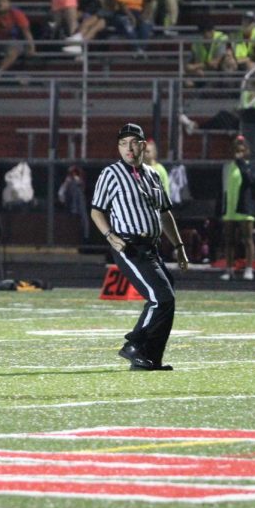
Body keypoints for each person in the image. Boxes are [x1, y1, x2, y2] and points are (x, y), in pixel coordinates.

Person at [90, 123, 189, 371]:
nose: (128, 148)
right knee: (161, 298)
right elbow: (96, 211)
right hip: (129, 245)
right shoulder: (111, 174)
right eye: (123, 143)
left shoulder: (153, 175)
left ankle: (150, 357)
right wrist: (111, 236)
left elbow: (165, 213)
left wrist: (179, 246)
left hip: (152, 247)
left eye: (133, 142)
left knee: (167, 299)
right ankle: (134, 344)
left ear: (143, 145)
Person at [219, 135, 255, 281]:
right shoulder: (228, 166)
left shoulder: (250, 165)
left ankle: (249, 268)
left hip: (244, 208)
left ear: (246, 151)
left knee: (247, 239)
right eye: (236, 150)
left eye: (241, 150)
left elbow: (250, 180)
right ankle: (228, 269)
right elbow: (223, 187)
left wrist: (241, 162)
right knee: (229, 240)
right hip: (229, 208)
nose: (238, 153)